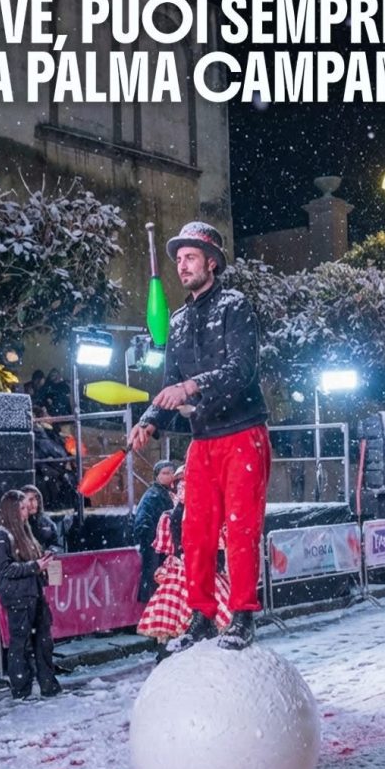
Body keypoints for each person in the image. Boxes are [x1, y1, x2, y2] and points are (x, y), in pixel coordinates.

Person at [129, 221, 271, 652]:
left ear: (211, 262)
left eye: (190, 257)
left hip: (244, 433)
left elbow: (241, 369)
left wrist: (191, 388)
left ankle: (243, 616)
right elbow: (170, 381)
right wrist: (150, 419)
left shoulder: (235, 305)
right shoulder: (177, 320)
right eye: (178, 259)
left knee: (241, 528)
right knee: (194, 531)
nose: (181, 265)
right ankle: (202, 616)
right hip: (203, 440)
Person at [137, 467, 231, 658]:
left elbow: (218, 540)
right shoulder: (175, 512)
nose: (182, 487)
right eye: (180, 484)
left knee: (204, 609)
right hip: (185, 567)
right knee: (185, 610)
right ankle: (180, 653)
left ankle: (195, 648)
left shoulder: (201, 509)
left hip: (196, 566)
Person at [0, 489, 61, 700]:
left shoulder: (24, 531)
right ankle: (21, 688)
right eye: (21, 508)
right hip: (18, 596)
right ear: (11, 510)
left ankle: (48, 683)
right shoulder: (1, 535)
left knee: (43, 640)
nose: (26, 511)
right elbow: (4, 570)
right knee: (20, 643)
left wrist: (43, 563)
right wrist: (33, 566)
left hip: (34, 592)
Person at [133, 460, 176, 602]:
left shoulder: (169, 493)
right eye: (165, 473)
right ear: (157, 476)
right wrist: (152, 541)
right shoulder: (153, 495)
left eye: (171, 473)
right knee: (154, 577)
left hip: (165, 545)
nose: (169, 476)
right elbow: (142, 521)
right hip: (156, 545)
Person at [21, 484, 61, 553]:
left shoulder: (46, 522)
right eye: (30, 500)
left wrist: (52, 550)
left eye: (36, 499)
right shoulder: (15, 523)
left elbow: (57, 546)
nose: (34, 504)